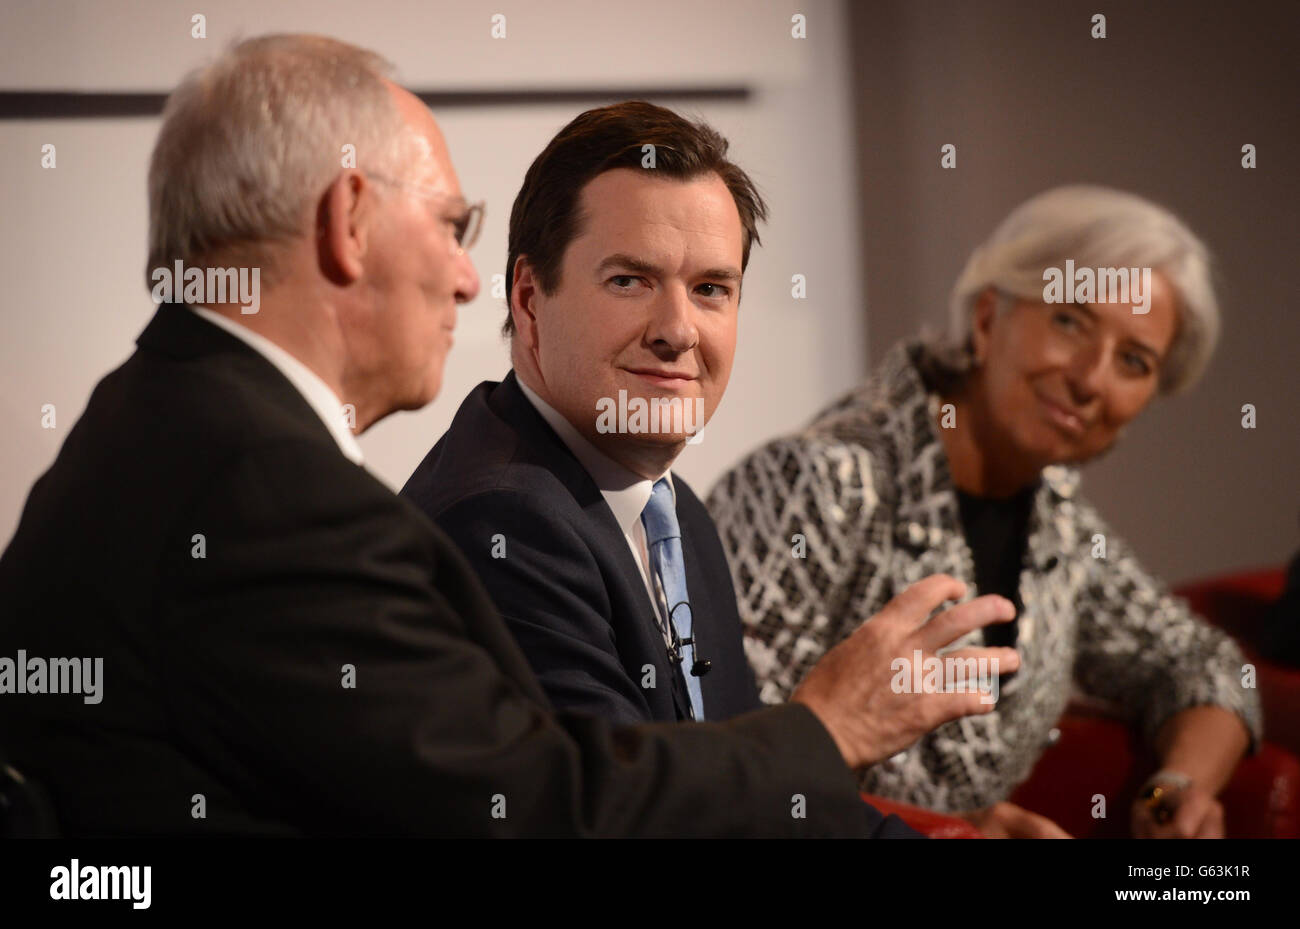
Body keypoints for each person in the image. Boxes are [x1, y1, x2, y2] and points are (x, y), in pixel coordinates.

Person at [0, 34, 1015, 838]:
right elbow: (535, 810)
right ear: (350, 220)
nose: (464, 276)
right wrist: (828, 725)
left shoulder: (166, 420)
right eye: (451, 225)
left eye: (712, 289)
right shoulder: (267, 487)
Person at [708, 185, 1262, 839]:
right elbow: (722, 759)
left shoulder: (1061, 524)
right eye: (1070, 322)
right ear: (988, 317)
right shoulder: (814, 480)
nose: (1090, 378)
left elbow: (1205, 665)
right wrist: (937, 832)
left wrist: (1177, 788)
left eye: (1133, 361)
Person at [401, 102, 767, 725]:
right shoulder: (504, 521)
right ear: (529, 299)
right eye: (630, 281)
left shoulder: (682, 521)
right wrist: (831, 730)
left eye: (710, 289)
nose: (678, 332)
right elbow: (627, 814)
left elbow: (746, 798)